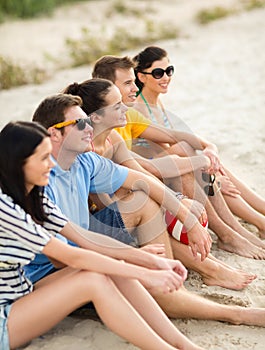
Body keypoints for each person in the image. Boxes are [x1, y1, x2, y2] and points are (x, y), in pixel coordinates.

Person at [29, 93, 265, 326]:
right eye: (80, 123)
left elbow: (141, 180)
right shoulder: (38, 181)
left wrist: (187, 217)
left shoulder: (84, 161)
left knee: (142, 199)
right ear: (54, 133)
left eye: (88, 121)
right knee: (134, 271)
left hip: (83, 241)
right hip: (51, 272)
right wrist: (132, 256)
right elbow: (62, 258)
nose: (89, 128)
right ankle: (234, 314)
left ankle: (174, 287)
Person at [0, 121, 204, 350]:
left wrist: (151, 260)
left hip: (22, 296)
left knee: (109, 266)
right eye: (43, 158)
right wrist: (145, 274)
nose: (51, 164)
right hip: (5, 317)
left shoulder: (34, 196)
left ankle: (182, 344)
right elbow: (72, 257)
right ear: (19, 164)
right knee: (94, 279)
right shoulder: (6, 210)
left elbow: (86, 240)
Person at [62, 77, 256, 291]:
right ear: (96, 117)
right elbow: (104, 204)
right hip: (91, 230)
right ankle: (211, 269)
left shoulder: (113, 139)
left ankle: (213, 260)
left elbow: (143, 173)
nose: (125, 108)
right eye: (117, 105)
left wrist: (179, 203)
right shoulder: (85, 150)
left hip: (121, 216)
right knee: (146, 208)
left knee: (157, 200)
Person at [92, 54, 265, 259]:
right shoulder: (101, 128)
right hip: (118, 202)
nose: (134, 88)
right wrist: (201, 164)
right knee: (187, 168)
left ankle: (237, 230)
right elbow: (147, 168)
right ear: (108, 87)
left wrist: (210, 147)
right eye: (128, 82)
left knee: (189, 157)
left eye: (169, 70)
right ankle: (230, 234)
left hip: (138, 182)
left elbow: (173, 136)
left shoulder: (126, 115)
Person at [133, 45, 265, 240]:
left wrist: (210, 151)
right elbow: (171, 148)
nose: (166, 77)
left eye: (169, 71)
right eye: (158, 73)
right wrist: (211, 175)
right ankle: (257, 222)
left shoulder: (155, 101)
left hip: (172, 163)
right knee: (205, 166)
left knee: (213, 166)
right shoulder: (139, 107)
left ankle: (260, 217)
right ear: (142, 76)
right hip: (155, 173)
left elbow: (175, 143)